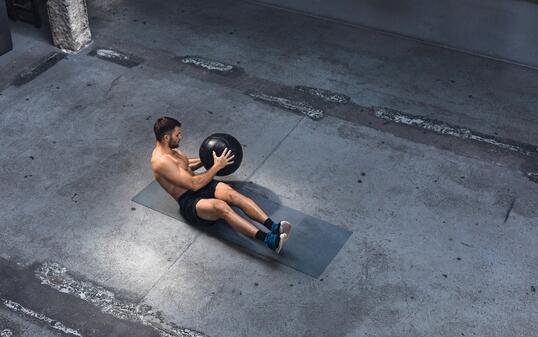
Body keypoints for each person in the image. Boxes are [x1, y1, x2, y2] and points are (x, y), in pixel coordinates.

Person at [150, 116, 291, 253]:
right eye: (177, 134)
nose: (180, 137)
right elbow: (193, 184)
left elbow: (186, 166)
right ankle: (269, 240)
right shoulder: (160, 162)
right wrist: (217, 166)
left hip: (201, 185)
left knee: (231, 194)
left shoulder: (173, 150)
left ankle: (274, 227)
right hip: (189, 200)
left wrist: (209, 158)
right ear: (166, 138)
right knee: (221, 207)